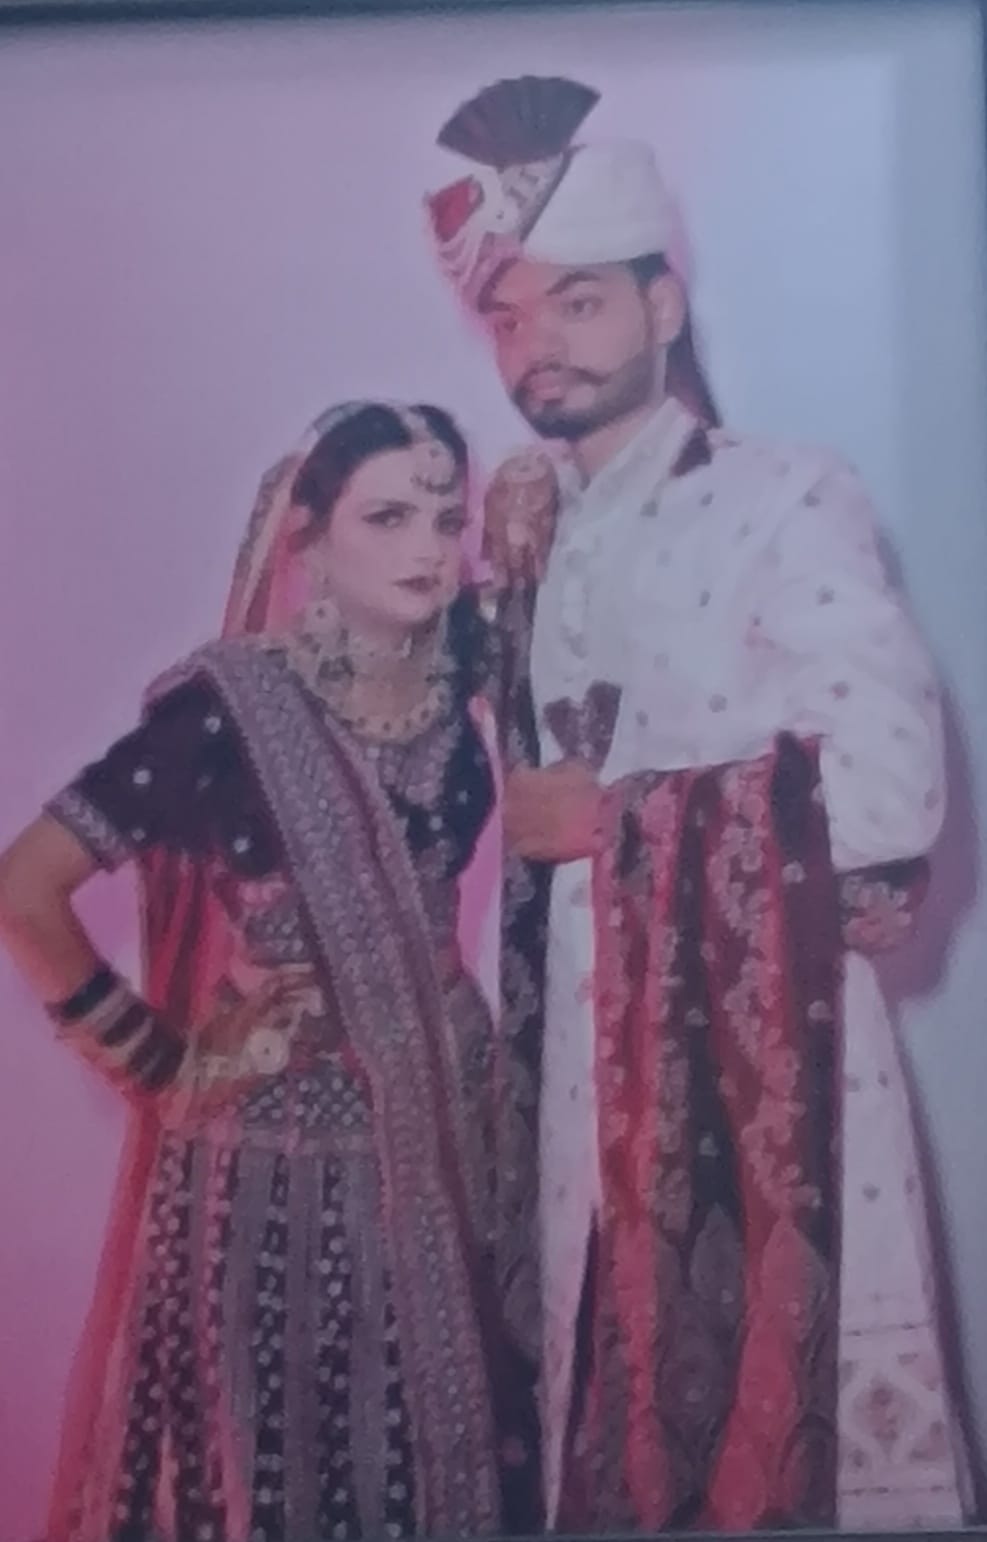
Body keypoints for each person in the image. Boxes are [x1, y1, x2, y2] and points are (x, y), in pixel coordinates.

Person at [425, 76, 974, 1532]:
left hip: (759, 1073)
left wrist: (613, 823)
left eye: (579, 303)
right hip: (575, 1087)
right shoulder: (528, 537)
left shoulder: (782, 494)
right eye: (509, 317)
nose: (538, 344)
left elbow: (888, 787)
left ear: (663, 307)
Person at [0, 401, 519, 1542]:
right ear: (308, 540)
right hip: (279, 1153)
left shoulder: (466, 663)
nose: (429, 548)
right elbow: (24, 888)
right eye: (387, 517)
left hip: (457, 1127)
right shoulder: (228, 712)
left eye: (448, 518)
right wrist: (161, 1062)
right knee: (283, 1458)